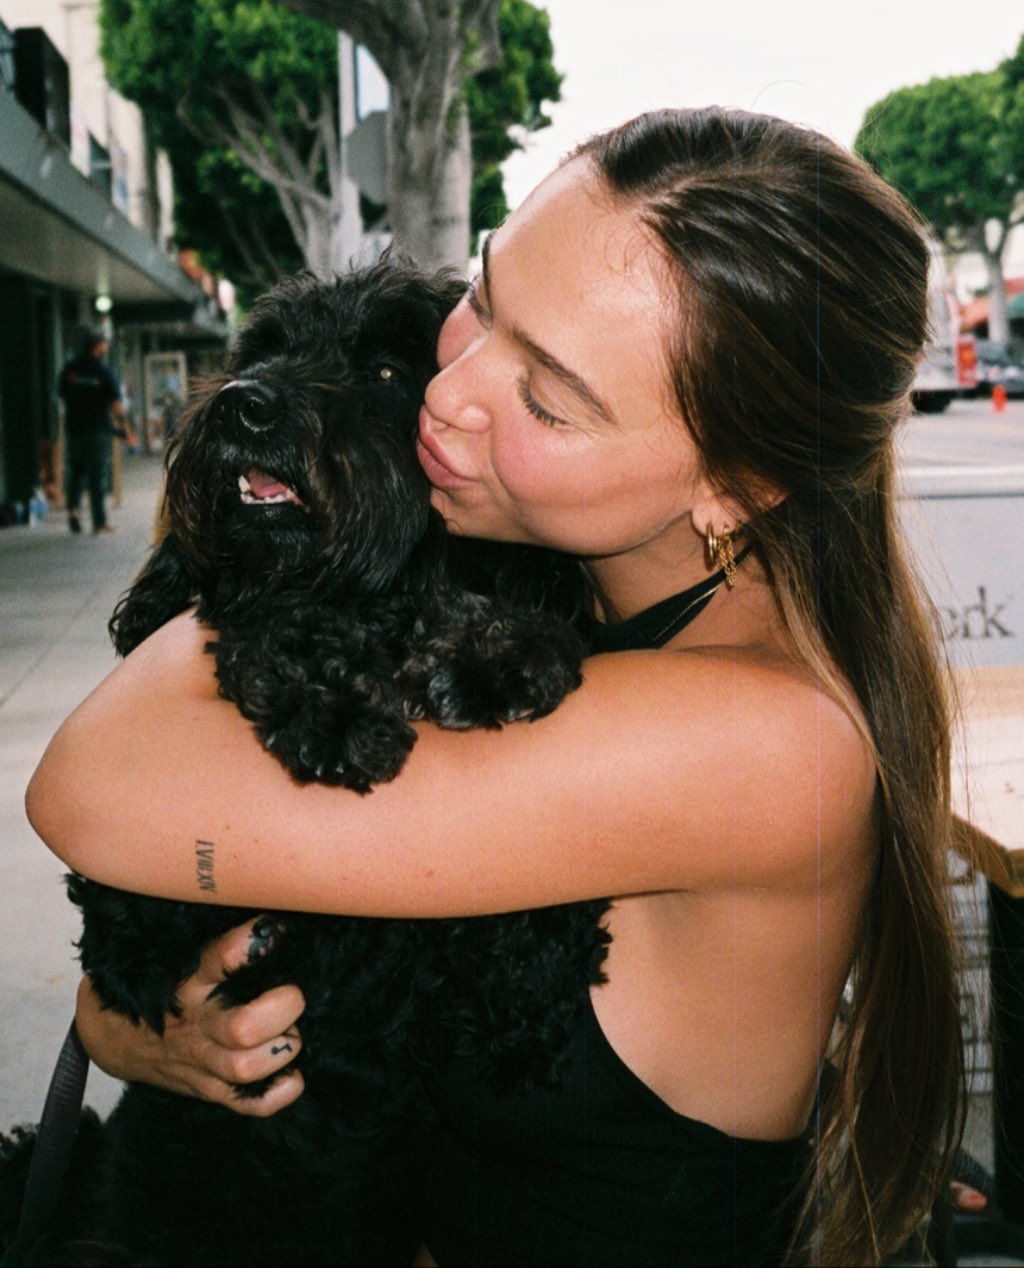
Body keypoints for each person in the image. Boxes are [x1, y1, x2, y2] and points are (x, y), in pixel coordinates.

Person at [27, 109, 964, 1266]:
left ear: (735, 482)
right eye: (484, 297)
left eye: (549, 395)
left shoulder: (765, 741)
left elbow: (93, 786)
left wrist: (276, 561)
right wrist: (134, 1024)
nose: (452, 389)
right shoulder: (553, 599)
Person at [57, 327, 124, 534]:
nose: (106, 347)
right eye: (104, 344)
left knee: (76, 472)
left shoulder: (71, 369)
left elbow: (61, 393)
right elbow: (116, 405)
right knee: (96, 476)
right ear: (98, 346)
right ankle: (99, 522)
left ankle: (73, 511)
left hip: (74, 429)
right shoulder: (103, 371)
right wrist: (125, 427)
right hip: (97, 430)